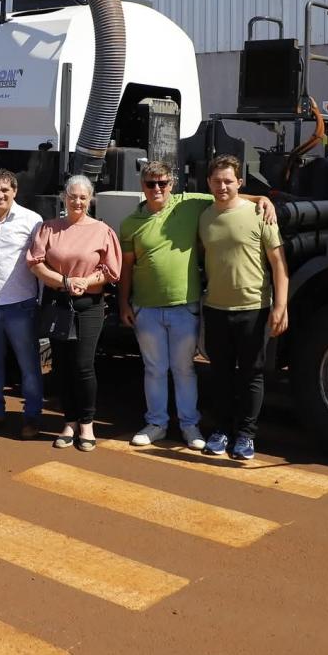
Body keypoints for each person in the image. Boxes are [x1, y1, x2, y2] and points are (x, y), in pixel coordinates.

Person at [119, 160, 274, 450]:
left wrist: (261, 199)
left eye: (162, 183)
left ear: (172, 185)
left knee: (184, 369)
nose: (157, 189)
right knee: (154, 369)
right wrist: (123, 303)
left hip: (184, 307)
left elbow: (227, 194)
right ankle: (156, 424)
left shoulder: (189, 204)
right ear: (142, 186)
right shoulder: (130, 223)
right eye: (151, 183)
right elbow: (127, 268)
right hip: (146, 307)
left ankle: (190, 426)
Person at [198, 154, 289, 460]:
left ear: (239, 182)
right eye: (217, 181)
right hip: (216, 308)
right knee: (220, 374)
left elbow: (278, 264)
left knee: (252, 375)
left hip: (254, 308)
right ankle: (221, 431)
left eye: (228, 181)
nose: (222, 186)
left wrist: (281, 306)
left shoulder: (259, 214)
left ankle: (246, 436)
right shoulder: (204, 214)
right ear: (208, 183)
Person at [28, 175, 122, 451]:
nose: (77, 201)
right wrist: (64, 282)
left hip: (89, 306)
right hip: (58, 303)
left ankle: (87, 423)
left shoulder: (102, 231)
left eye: (82, 197)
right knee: (62, 365)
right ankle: (68, 422)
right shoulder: (49, 228)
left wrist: (85, 281)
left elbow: (111, 270)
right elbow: (36, 262)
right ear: (64, 198)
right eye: (72, 196)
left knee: (83, 365)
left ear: (90, 199)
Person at [0, 169, 44, 437]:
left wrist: (39, 302)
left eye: (5, 190)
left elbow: (39, 262)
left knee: (29, 365)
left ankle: (32, 417)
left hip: (21, 306)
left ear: (15, 191)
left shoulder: (32, 221)